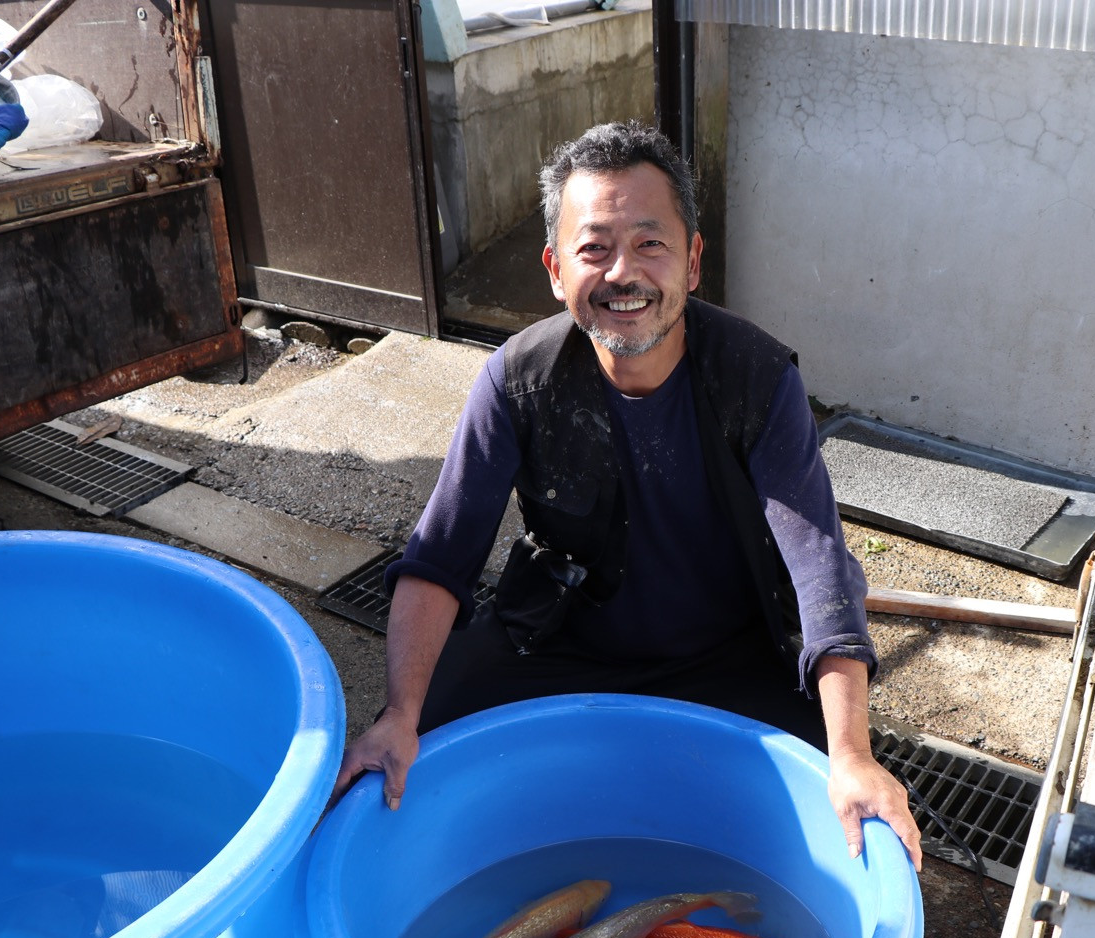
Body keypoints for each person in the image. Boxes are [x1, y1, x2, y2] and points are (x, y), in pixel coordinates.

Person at [333, 121, 923, 869]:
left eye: (650, 244)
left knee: (831, 801)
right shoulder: (519, 379)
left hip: (728, 654)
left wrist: (852, 751)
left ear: (693, 260)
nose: (623, 274)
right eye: (594, 248)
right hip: (564, 638)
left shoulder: (756, 378)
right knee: (431, 732)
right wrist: (398, 713)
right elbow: (440, 556)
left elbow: (820, 568)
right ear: (555, 268)